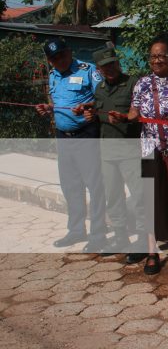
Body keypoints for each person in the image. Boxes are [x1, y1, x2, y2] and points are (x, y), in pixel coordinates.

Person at [36, 37, 107, 252]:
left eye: (63, 55)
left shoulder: (88, 70)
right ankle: (76, 230)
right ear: (50, 61)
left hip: (86, 134)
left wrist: (88, 105)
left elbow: (103, 98)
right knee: (71, 185)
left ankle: (98, 234)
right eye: (55, 58)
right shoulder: (52, 76)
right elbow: (56, 101)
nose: (60, 60)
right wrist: (48, 109)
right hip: (63, 137)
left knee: (94, 186)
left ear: (69, 52)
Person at [128, 35, 168, 273]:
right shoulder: (142, 83)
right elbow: (134, 111)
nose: (157, 60)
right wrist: (128, 116)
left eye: (161, 56)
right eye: (153, 56)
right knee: (150, 200)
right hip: (148, 148)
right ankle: (152, 252)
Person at [80, 46, 145, 261]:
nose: (110, 69)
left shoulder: (133, 84)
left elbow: (140, 113)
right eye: (105, 66)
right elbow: (99, 112)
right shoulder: (99, 89)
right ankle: (120, 237)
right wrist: (91, 115)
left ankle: (144, 241)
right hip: (106, 150)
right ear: (98, 69)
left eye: (113, 64)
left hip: (130, 150)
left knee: (139, 197)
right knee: (113, 196)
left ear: (118, 63)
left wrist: (126, 117)